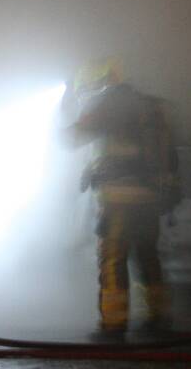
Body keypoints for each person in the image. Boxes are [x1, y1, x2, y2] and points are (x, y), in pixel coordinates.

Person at [68, 58, 179, 332]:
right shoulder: (153, 108)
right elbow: (168, 154)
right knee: (147, 254)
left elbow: (74, 137)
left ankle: (114, 323)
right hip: (150, 198)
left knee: (113, 258)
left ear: (101, 84)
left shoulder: (108, 104)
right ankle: (158, 317)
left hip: (118, 197)